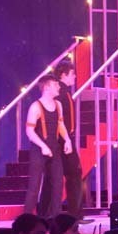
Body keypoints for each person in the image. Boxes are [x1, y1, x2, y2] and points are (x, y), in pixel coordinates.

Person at [38, 60, 85, 220]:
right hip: (61, 139)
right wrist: (65, 139)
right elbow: (58, 119)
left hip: (62, 138)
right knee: (73, 174)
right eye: (72, 74)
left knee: (55, 177)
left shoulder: (64, 92)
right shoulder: (60, 93)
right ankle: (74, 214)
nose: (75, 77)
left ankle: (45, 212)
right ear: (63, 75)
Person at [24, 75, 73, 216]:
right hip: (39, 150)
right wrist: (42, 146)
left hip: (54, 148)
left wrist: (67, 140)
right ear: (46, 87)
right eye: (55, 84)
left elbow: (60, 124)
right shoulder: (36, 107)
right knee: (34, 186)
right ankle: (27, 218)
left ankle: (55, 217)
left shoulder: (58, 105)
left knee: (58, 184)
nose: (58, 87)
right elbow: (29, 131)